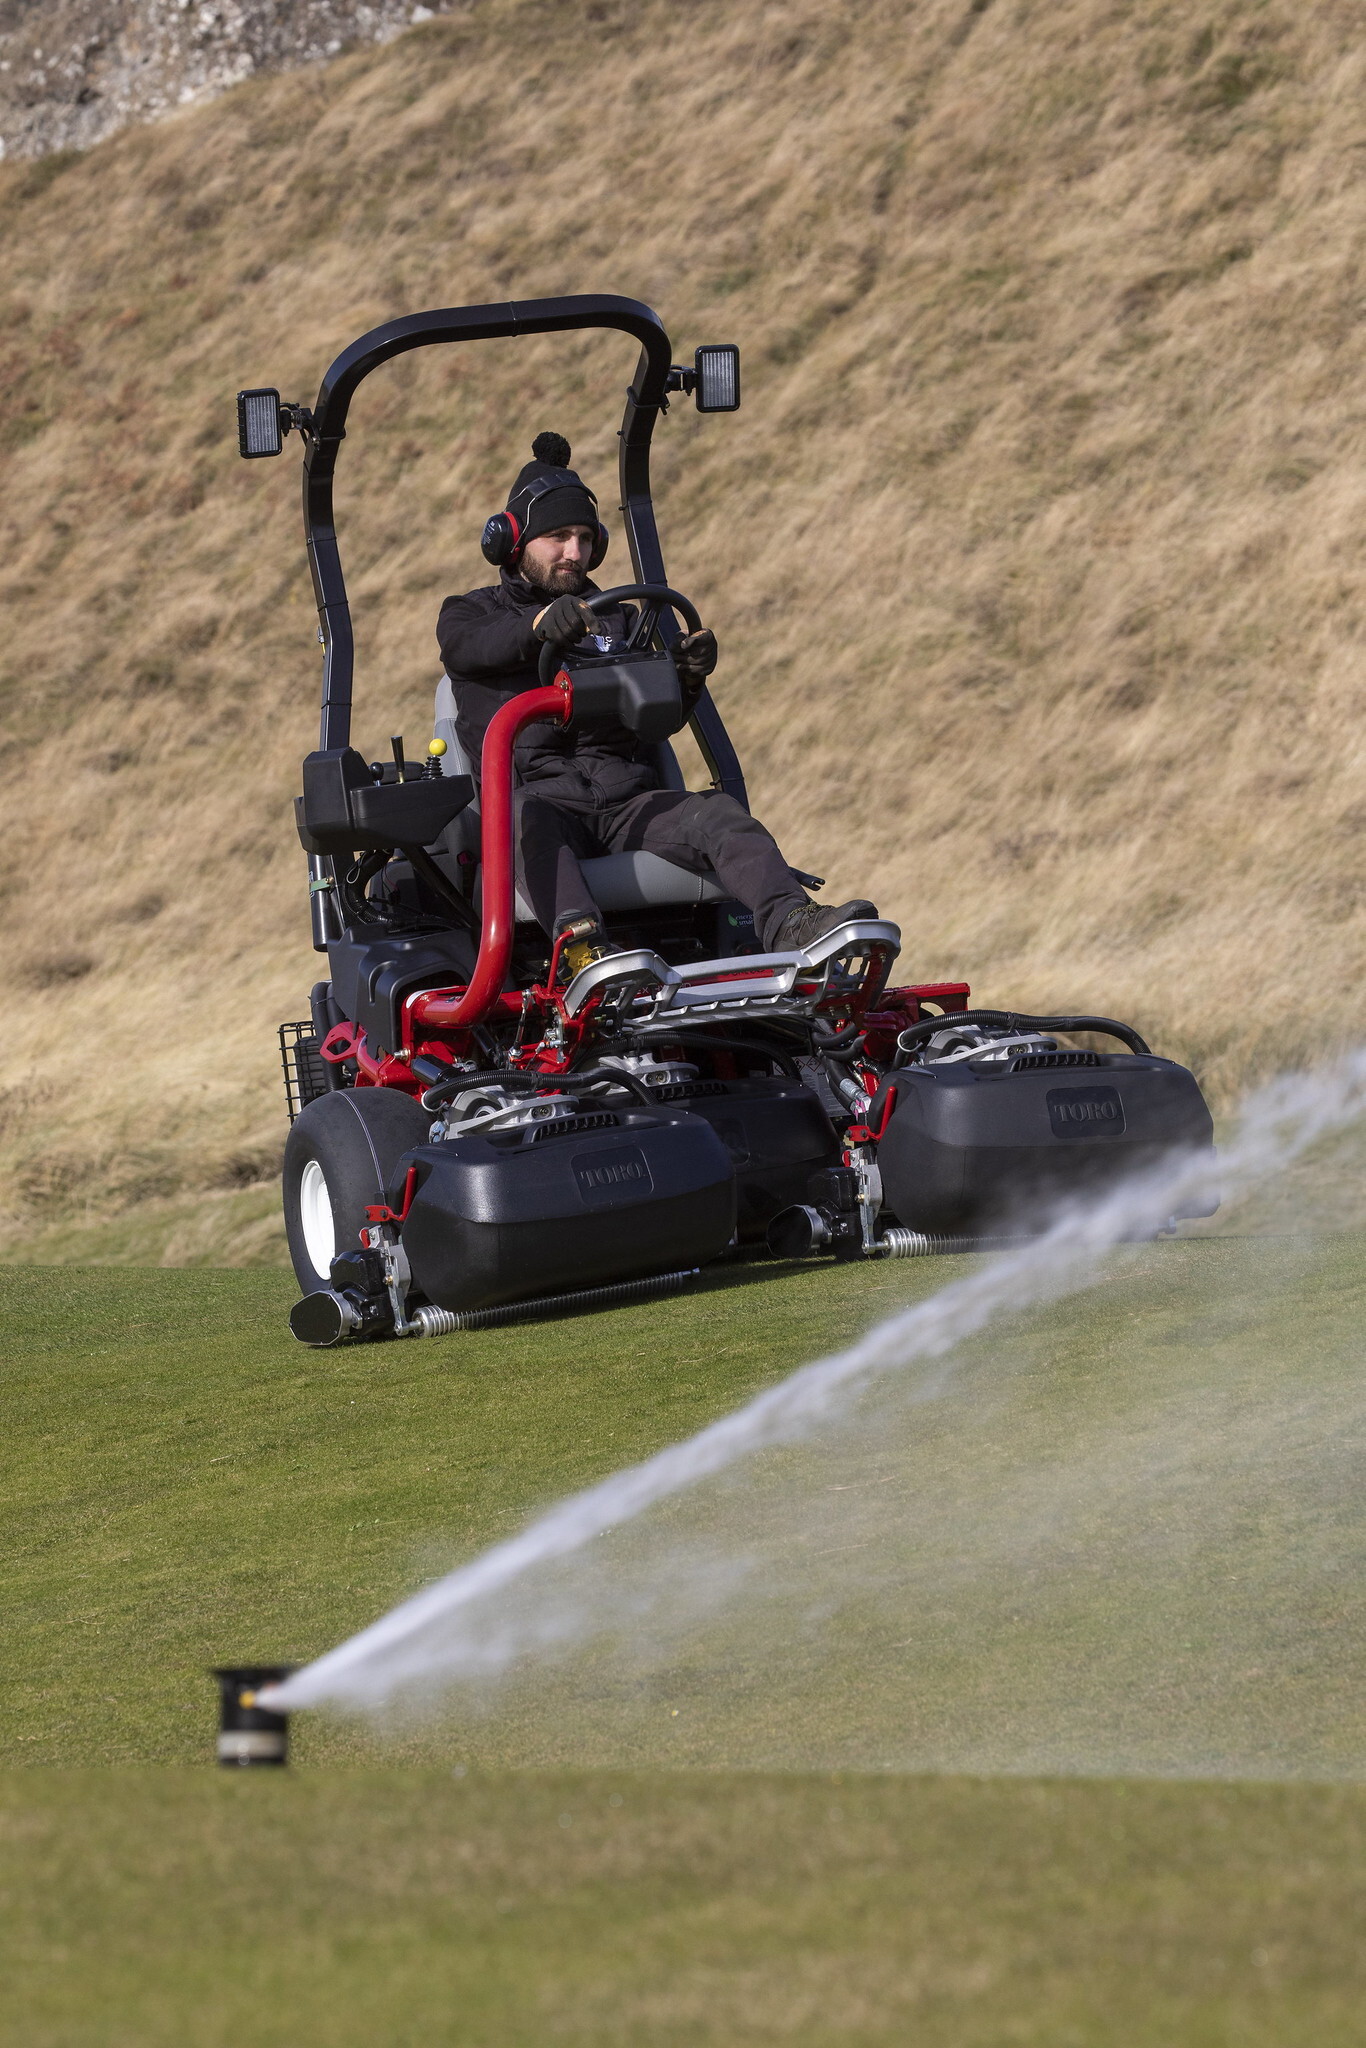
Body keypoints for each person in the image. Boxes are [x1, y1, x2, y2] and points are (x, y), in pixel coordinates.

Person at [437, 433, 878, 976]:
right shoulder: (469, 614)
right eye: (557, 537)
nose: (574, 553)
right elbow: (469, 648)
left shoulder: (619, 619)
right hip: (540, 807)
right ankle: (584, 953)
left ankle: (794, 924)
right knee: (522, 816)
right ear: (512, 541)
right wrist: (536, 629)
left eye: (583, 538)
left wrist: (685, 681)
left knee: (717, 814)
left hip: (627, 804)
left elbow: (658, 722)